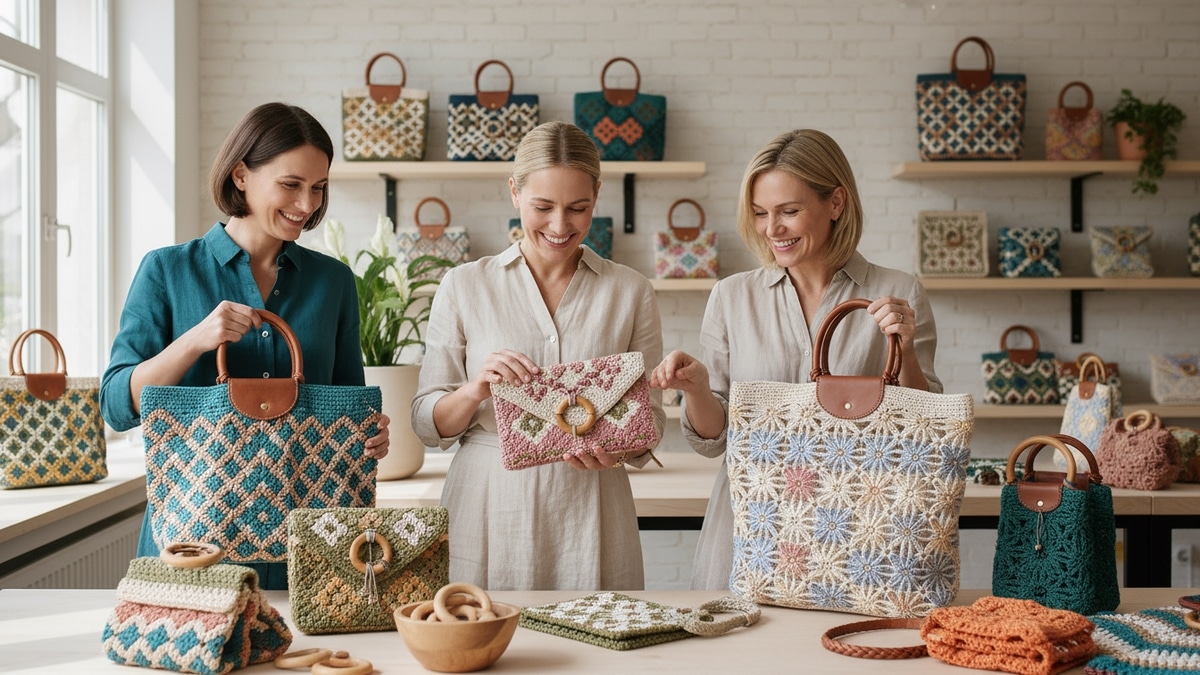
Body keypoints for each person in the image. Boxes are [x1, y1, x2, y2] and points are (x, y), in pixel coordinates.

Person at [100, 102, 390, 590]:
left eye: (319, 188)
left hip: (306, 553)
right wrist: (194, 340)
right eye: (291, 184)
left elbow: (346, 403)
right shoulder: (167, 271)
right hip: (190, 550)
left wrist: (370, 436)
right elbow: (116, 406)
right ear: (240, 176)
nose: (308, 204)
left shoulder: (334, 282)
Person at [649, 128, 943, 590]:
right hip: (749, 524)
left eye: (789, 211)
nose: (772, 229)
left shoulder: (899, 293)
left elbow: (923, 430)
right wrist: (698, 390)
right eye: (761, 213)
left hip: (856, 525)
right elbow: (712, 440)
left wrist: (903, 350)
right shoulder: (731, 296)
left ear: (836, 203)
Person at [411, 120, 665, 591]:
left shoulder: (630, 291)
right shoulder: (465, 285)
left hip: (594, 503)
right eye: (542, 207)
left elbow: (649, 421)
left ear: (598, 197)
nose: (559, 225)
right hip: (488, 501)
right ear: (514, 192)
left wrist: (615, 450)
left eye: (578, 208)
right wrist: (474, 391)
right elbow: (428, 421)